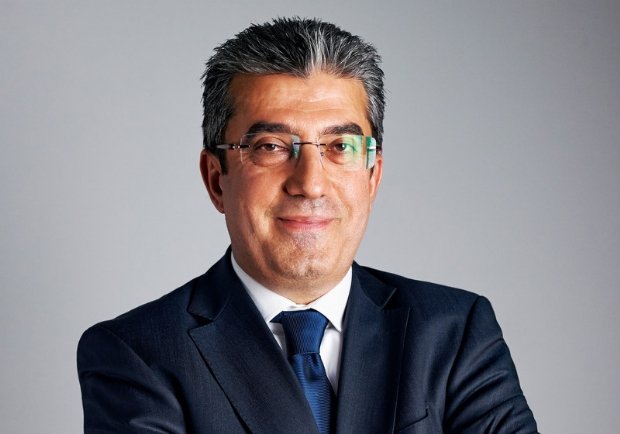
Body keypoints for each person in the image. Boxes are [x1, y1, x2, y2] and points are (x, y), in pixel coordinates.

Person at [77, 17, 538, 433]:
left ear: (372, 177)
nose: (310, 183)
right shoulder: (137, 354)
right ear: (216, 179)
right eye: (272, 146)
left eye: (340, 147)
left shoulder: (455, 331)